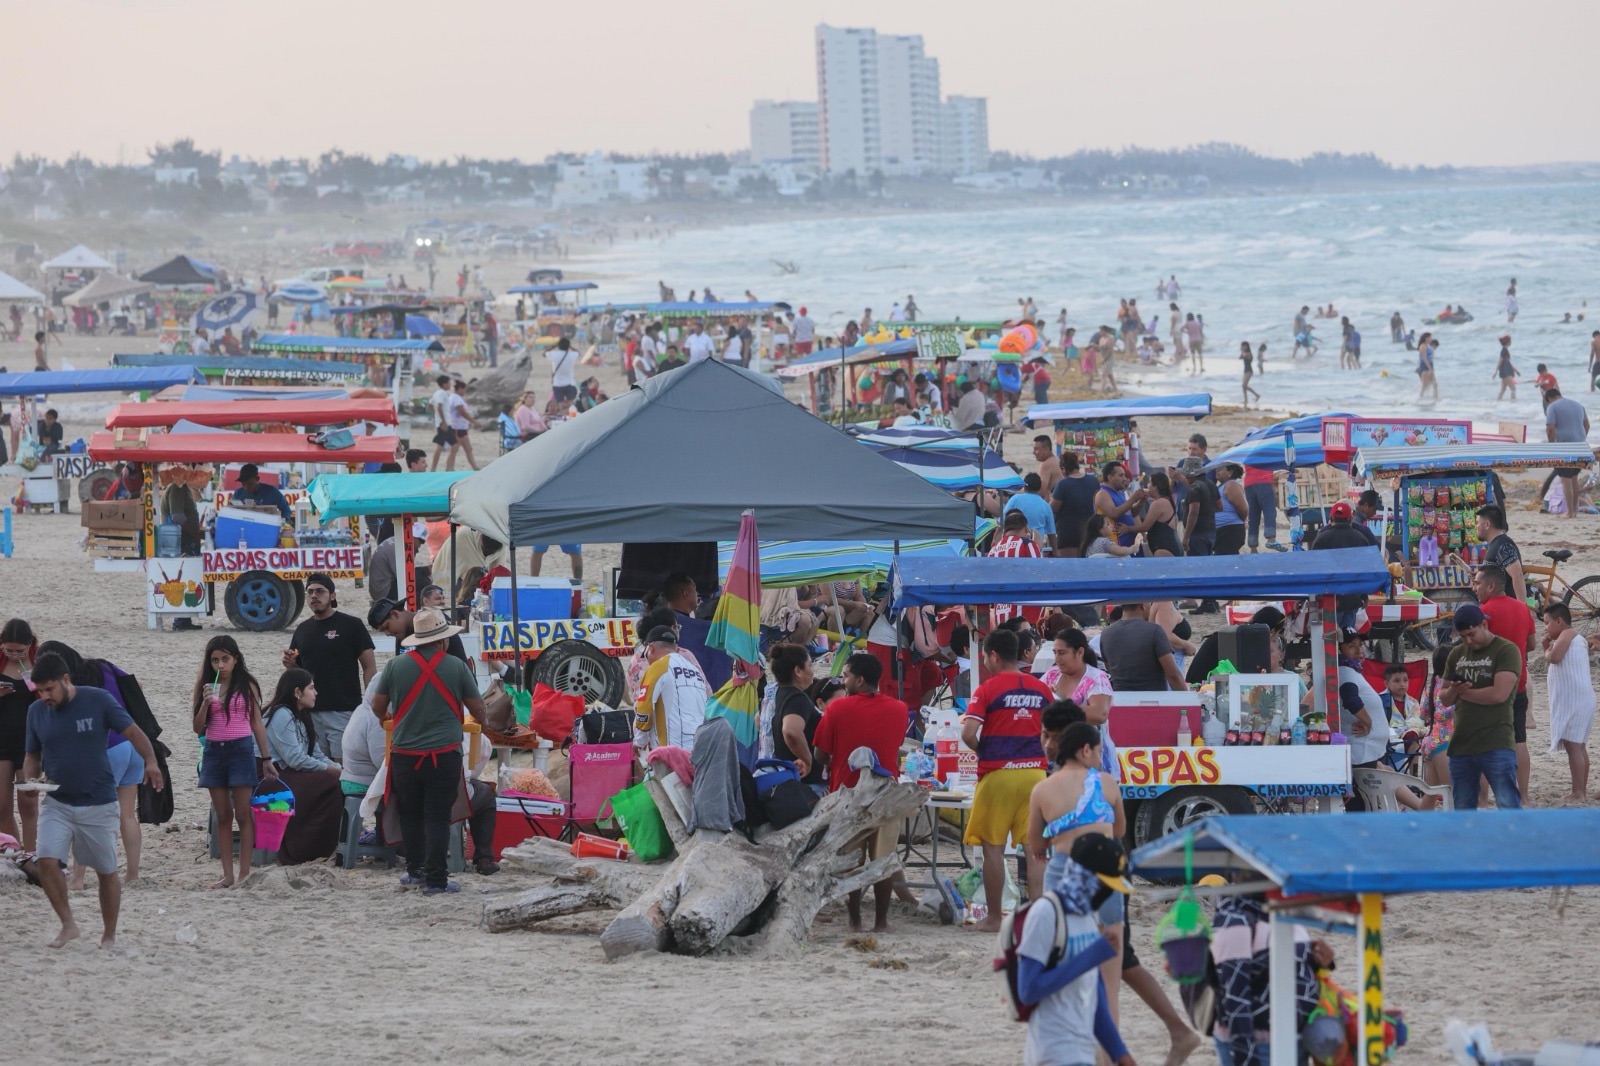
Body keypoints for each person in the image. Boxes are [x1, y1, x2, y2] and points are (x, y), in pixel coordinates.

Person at [23, 651, 162, 948]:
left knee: (106, 871)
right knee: (47, 862)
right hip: (57, 801)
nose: (45, 696)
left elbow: (133, 731)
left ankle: (109, 934)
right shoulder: (36, 712)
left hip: (98, 800)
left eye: (49, 689)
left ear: (65, 680)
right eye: (40, 691)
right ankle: (68, 924)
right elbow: (32, 754)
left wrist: (150, 761)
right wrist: (31, 779)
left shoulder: (97, 700)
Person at [370, 608, 487, 895]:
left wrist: (391, 718)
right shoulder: (457, 667)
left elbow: (376, 706)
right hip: (443, 754)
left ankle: (415, 871)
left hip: (404, 756)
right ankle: (436, 881)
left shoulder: (396, 666)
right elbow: (479, 710)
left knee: (410, 814)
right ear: (443, 641)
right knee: (437, 817)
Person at [960, 630, 1051, 932]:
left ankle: (995, 918)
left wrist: (983, 750)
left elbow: (968, 733)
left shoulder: (987, 689)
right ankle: (1037, 918)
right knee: (1034, 849)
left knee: (994, 850)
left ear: (994, 656)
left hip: (998, 774)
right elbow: (1057, 731)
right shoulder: (1042, 689)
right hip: (1036, 775)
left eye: (985, 656)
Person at [812, 652, 909, 931]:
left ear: (860, 679)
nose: (843, 681)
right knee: (884, 859)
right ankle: (881, 921)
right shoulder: (899, 709)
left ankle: (854, 919)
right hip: (886, 793)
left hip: (849, 792)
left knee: (852, 859)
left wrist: (839, 759)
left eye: (846, 676)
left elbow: (820, 754)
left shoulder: (837, 709)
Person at [192, 636, 273, 889]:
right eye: (215, 660)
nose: (220, 665)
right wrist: (205, 704)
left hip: (241, 750)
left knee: (243, 814)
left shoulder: (247, 685)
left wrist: (267, 757)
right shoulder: (206, 687)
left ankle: (244, 873)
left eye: (225, 659)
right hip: (214, 752)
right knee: (223, 815)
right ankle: (227, 874)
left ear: (236, 660)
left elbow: (256, 723)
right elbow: (197, 728)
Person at [283, 573, 376, 762]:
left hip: (343, 709)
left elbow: (369, 667)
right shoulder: (302, 630)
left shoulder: (352, 625)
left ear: (332, 596)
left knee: (344, 765)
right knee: (319, 768)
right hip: (310, 711)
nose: (314, 596)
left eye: (320, 591)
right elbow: (298, 674)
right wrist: (290, 666)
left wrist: (370, 703)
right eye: (310, 592)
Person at [1438, 604, 1522, 810]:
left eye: (1472, 634)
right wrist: (1454, 692)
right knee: (1463, 806)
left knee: (1507, 803)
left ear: (1484, 624)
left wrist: (1462, 693)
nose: (1468, 640)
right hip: (1462, 744)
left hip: (1497, 741)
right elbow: (1444, 697)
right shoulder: (1456, 654)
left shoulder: (1506, 650)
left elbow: (1499, 694)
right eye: (1463, 636)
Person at [263, 668, 344, 866]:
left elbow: (315, 753)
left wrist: (339, 769)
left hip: (290, 771)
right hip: (273, 774)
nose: (315, 693)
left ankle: (326, 843)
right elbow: (294, 758)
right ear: (297, 692)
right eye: (311, 688)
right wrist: (330, 771)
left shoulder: (302, 716)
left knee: (338, 781)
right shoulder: (282, 714)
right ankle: (305, 848)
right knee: (329, 782)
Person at [1473, 564, 1536, 798]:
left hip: (1492, 687)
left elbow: (1476, 647)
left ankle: (1482, 801)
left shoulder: (1484, 613)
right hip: (1518, 682)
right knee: (1519, 740)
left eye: (1478, 583)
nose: (1475, 587)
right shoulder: (1522, 608)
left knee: (1483, 744)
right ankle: (1525, 796)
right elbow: (1531, 644)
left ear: (1491, 585)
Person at [1541, 603, 1594, 804]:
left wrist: (1547, 649)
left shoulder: (1567, 634)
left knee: (1575, 747)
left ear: (1559, 621)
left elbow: (1554, 658)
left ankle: (1578, 792)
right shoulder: (1576, 638)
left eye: (1546, 623)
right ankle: (1581, 790)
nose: (1545, 628)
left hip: (1576, 700)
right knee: (1579, 747)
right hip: (1580, 698)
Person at [633, 626, 710, 752]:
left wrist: (640, 741)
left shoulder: (658, 667)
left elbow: (644, 708)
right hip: (700, 745)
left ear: (651, 648)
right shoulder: (694, 670)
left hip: (672, 750)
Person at [0, 619, 40, 849]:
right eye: (8, 649)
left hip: (30, 740)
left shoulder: (40, 661)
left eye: (20, 650)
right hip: (2, 736)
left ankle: (32, 853)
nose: (14, 655)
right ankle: (15, 852)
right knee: (2, 806)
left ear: (30, 644)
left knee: (28, 803)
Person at [769, 643, 824, 792]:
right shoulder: (797, 698)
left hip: (790, 781)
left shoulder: (778, 694)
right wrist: (807, 760)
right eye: (810, 666)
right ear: (798, 671)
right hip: (808, 785)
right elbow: (791, 731)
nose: (812, 672)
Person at [1099, 603, 1187, 692]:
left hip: (1120, 697)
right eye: (1150, 604)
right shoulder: (1154, 631)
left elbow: (1108, 667)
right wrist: (1186, 699)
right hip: (1152, 697)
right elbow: (1173, 675)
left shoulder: (1106, 633)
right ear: (1143, 605)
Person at [1544, 387, 1591, 520]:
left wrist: (1552, 446)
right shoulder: (1579, 405)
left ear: (1549, 398)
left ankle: (1569, 512)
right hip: (1579, 446)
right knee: (1574, 478)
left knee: (1566, 480)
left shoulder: (1552, 407)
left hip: (1564, 447)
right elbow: (1587, 425)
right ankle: (1574, 510)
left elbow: (1550, 428)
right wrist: (1580, 439)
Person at [1050, 452, 1100, 557]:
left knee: (1069, 568)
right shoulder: (1093, 481)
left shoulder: (1063, 485)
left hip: (1068, 532)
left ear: (1063, 469)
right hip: (1089, 532)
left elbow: (1053, 508)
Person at [1473, 505, 1525, 602]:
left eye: (1477, 523)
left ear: (1487, 524)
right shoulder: (1495, 544)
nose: (1476, 527)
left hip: (1507, 607)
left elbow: (1518, 575)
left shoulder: (1503, 545)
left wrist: (1521, 607)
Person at [1094, 462, 1145, 548]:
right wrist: (1133, 499)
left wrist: (1142, 501)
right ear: (1110, 477)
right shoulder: (1103, 494)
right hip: (1114, 545)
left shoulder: (1120, 493)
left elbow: (1132, 513)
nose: (1125, 479)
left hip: (1127, 545)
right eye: (1121, 476)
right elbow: (1113, 513)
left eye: (1124, 475)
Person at [1242, 466, 1282, 553]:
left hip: (1249, 484)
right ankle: (1271, 539)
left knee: (1253, 515)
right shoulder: (1265, 452)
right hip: (1263, 481)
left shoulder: (1248, 454)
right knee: (1269, 510)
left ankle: (1253, 546)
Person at [444, 378, 480, 471]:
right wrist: (474, 422)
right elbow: (463, 413)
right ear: (459, 388)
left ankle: (475, 468)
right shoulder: (456, 399)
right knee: (454, 450)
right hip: (457, 428)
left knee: (468, 449)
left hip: (461, 428)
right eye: (464, 389)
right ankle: (449, 468)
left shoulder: (455, 398)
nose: (464, 392)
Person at [428, 374, 455, 470]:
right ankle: (439, 468)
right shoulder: (441, 393)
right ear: (444, 384)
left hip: (443, 422)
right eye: (448, 383)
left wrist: (437, 415)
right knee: (442, 445)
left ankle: (448, 467)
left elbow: (430, 406)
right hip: (445, 423)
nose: (450, 384)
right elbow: (439, 406)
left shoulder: (437, 393)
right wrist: (443, 421)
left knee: (452, 444)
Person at [546, 336, 579, 404]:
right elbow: (578, 352)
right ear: (568, 345)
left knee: (560, 406)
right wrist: (570, 347)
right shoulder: (572, 355)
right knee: (570, 405)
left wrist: (554, 346)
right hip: (570, 383)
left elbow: (544, 353)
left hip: (557, 384)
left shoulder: (554, 354)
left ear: (559, 345)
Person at [1416, 332, 1439, 402]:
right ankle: (1420, 398)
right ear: (1426, 338)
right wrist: (1429, 368)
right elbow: (1424, 358)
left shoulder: (1428, 345)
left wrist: (1431, 368)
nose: (1431, 339)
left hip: (1430, 365)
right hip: (1425, 365)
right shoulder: (1422, 346)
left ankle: (1435, 399)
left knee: (1434, 384)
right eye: (1430, 337)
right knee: (1425, 384)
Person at [1494, 335, 1518, 401]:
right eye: (1510, 341)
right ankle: (1513, 403)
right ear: (1508, 342)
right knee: (1513, 389)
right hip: (1506, 372)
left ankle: (1497, 402)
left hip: (1504, 372)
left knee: (1503, 390)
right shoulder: (1504, 351)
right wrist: (1495, 371)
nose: (1511, 342)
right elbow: (1500, 361)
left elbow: (1508, 363)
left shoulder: (1505, 350)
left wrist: (1516, 370)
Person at [1239, 342, 1260, 407]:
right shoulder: (1245, 353)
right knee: (1243, 386)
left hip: (1249, 371)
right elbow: (1240, 357)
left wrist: (1242, 351)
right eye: (1242, 346)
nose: (1243, 347)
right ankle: (1246, 400)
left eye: (1244, 346)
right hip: (1245, 371)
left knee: (1244, 385)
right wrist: (1242, 351)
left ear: (1247, 347)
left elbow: (1243, 356)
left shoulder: (1248, 353)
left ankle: (1257, 395)